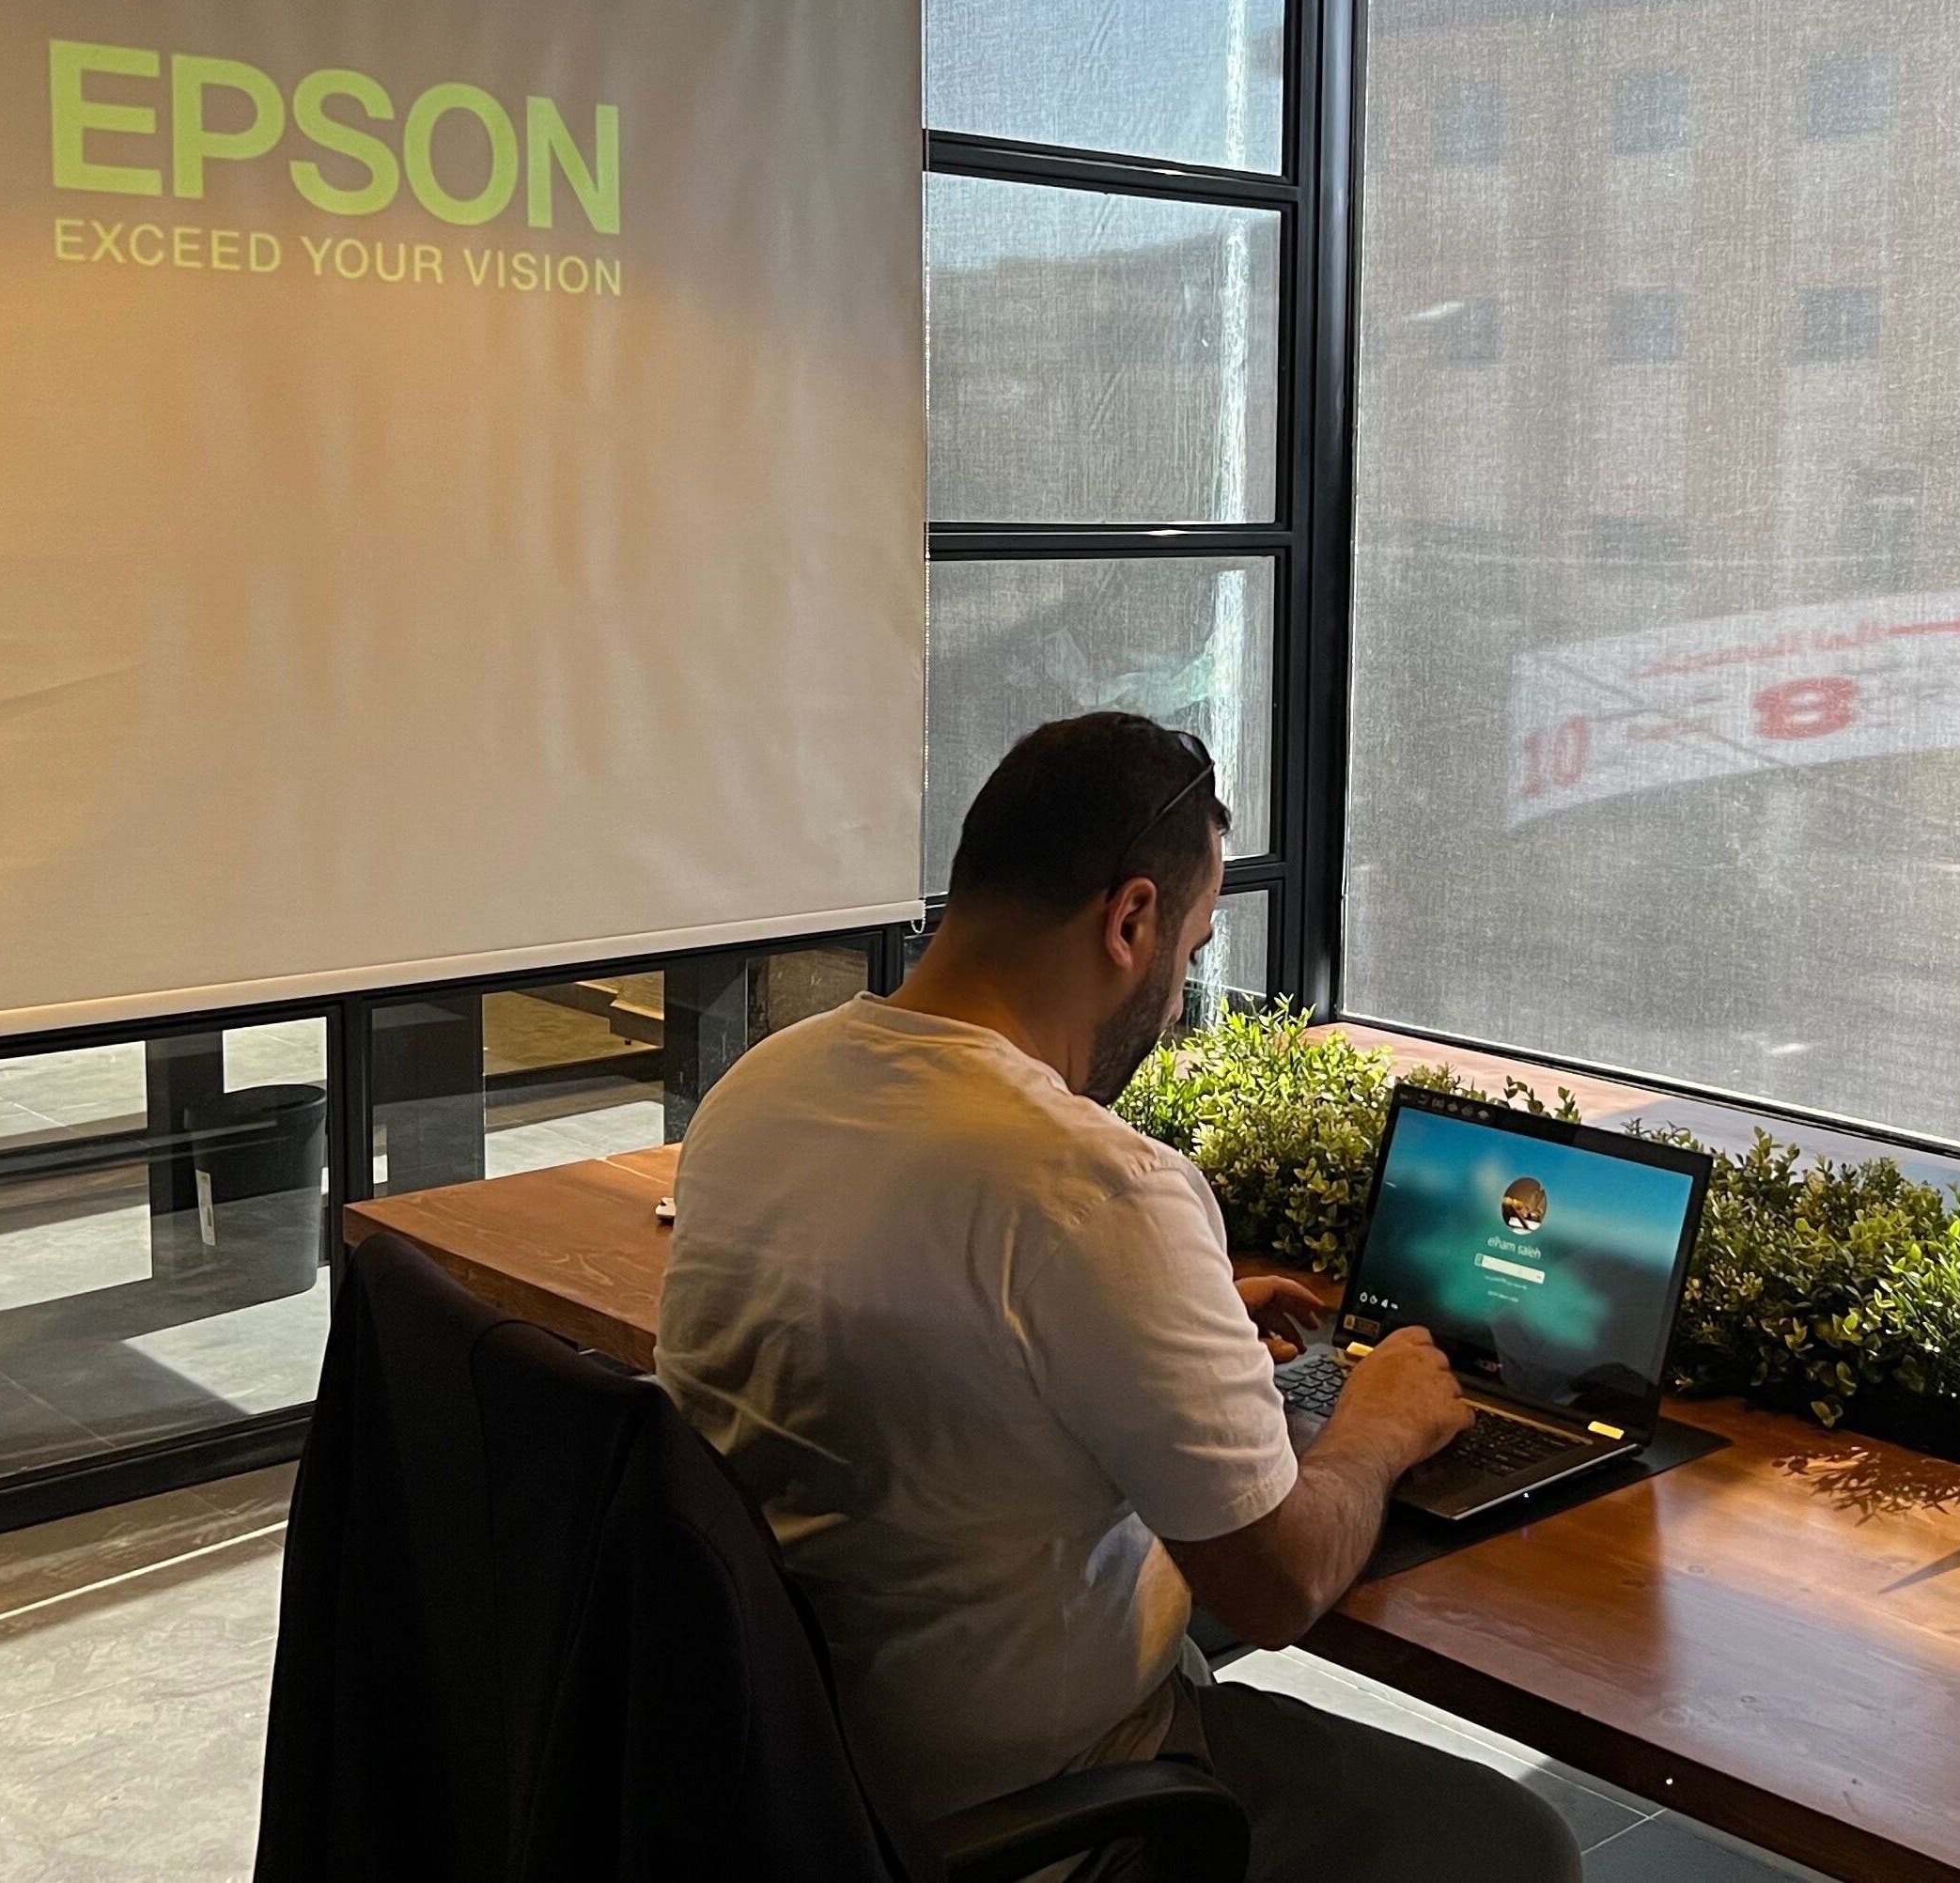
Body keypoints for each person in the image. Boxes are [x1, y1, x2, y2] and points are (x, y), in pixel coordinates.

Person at [657, 712, 1581, 1883]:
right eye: (1190, 951)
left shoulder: (759, 1088)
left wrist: (1169, 1319)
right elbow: (1281, 1586)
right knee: (1519, 1846)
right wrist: (1378, 1426)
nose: (1180, 999)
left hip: (780, 1765)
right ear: (1130, 920)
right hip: (1012, 1815)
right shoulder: (1092, 1186)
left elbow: (926, 1320)